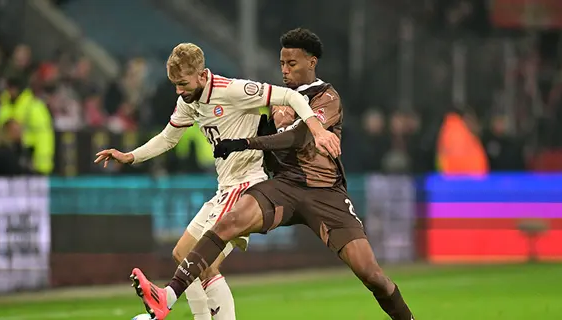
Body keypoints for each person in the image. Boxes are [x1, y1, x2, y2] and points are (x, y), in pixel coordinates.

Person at [130, 29, 415, 320]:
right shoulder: (276, 100)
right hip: (283, 186)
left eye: (292, 63)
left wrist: (245, 143)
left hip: (324, 192)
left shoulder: (326, 97)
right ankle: (168, 295)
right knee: (230, 221)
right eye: (282, 63)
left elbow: (298, 138)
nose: (285, 69)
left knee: (372, 275)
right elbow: (237, 111)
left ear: (312, 62)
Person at [94, 43, 340, 320]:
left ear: (201, 75)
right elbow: (167, 138)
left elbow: (290, 97)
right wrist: (130, 156)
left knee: (197, 258)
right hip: (225, 188)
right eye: (174, 84)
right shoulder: (189, 100)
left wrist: (317, 131)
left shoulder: (232, 90)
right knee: (183, 254)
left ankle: (171, 304)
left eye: (183, 83)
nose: (178, 90)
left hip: (246, 186)